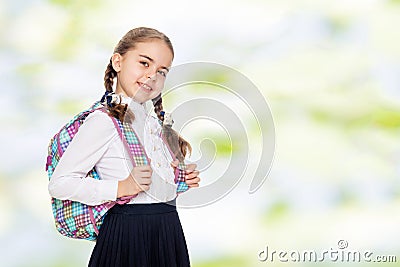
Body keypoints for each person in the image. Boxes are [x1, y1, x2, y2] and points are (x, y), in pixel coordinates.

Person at [48, 27, 200, 267]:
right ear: (118, 61)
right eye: (144, 63)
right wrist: (122, 186)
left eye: (162, 71)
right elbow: (60, 183)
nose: (152, 76)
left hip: (168, 229)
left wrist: (180, 177)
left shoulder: (154, 124)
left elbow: (155, 189)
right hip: (127, 234)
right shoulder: (103, 120)